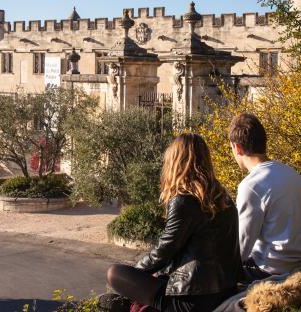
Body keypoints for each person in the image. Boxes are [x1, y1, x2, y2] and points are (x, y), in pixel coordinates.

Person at [103, 133, 242, 312]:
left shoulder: (185, 200)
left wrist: (136, 272)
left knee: (115, 274)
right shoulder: (224, 198)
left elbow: (164, 251)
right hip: (225, 290)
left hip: (192, 301)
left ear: (176, 161)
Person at [228, 113, 301, 284]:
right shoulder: (291, 173)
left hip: (271, 271)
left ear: (238, 148)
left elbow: (240, 249)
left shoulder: (251, 186)